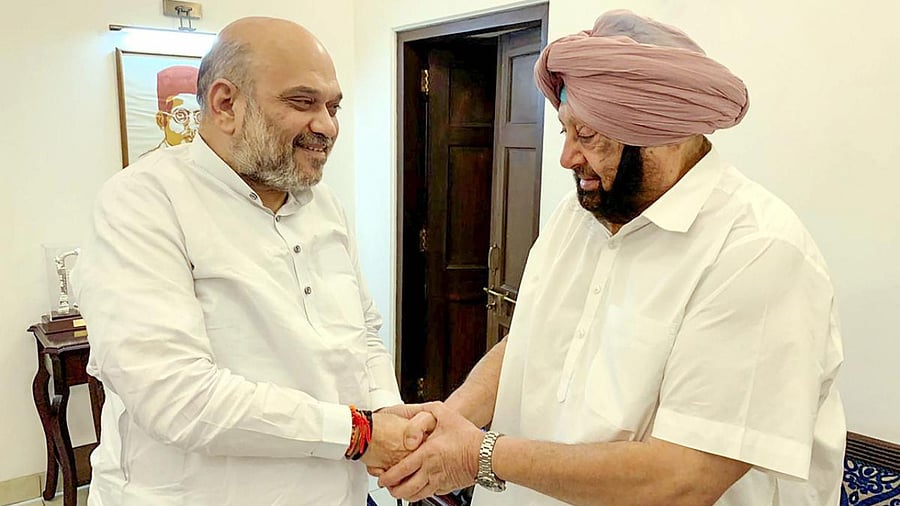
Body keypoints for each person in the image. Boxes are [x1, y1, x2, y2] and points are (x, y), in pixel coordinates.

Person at [378, 10, 845, 506]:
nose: (567, 158)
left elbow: (684, 478)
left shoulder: (758, 251)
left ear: (664, 130)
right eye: (565, 132)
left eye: (589, 136)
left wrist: (478, 456)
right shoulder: (575, 216)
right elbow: (533, 339)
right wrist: (449, 422)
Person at [74, 17, 431, 505]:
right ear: (226, 104)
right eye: (303, 102)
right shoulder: (143, 203)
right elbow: (177, 397)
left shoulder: (322, 204)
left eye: (333, 106)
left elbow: (361, 333)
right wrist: (359, 434)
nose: (326, 125)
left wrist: (390, 419)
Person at [141, 65, 201, 157]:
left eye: (198, 116)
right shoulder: (147, 164)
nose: (192, 127)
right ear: (161, 120)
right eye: (181, 116)